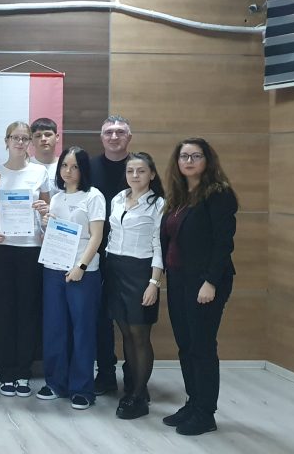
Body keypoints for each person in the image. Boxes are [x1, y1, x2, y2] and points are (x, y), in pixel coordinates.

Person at [161, 138, 238, 436]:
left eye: (196, 156)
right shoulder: (179, 195)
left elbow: (223, 243)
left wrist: (210, 282)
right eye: (184, 156)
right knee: (186, 345)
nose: (189, 161)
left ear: (208, 160)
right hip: (179, 279)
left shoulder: (218, 194)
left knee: (202, 346)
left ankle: (206, 413)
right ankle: (193, 403)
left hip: (205, 282)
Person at [0, 121, 50, 398]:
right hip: (2, 248)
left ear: (30, 143)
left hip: (31, 249)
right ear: (6, 141)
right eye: (15, 138)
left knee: (27, 311)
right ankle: (5, 371)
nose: (20, 142)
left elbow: (47, 208)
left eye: (25, 138)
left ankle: (23, 371)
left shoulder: (39, 172)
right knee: (3, 311)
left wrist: (45, 211)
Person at [37, 146, 105, 410]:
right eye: (64, 165)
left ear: (83, 169)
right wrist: (45, 223)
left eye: (75, 166)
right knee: (55, 327)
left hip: (82, 272)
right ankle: (56, 382)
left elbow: (97, 236)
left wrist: (81, 266)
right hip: (54, 268)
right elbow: (52, 235)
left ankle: (82, 388)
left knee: (82, 329)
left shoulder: (93, 196)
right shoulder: (56, 198)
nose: (68, 171)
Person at [104, 152, 165, 420]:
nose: (135, 175)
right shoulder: (118, 198)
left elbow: (159, 246)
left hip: (141, 272)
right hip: (115, 269)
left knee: (140, 335)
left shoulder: (159, 204)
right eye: (130, 171)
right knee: (126, 333)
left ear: (152, 174)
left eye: (141, 171)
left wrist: (154, 283)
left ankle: (139, 395)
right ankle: (132, 386)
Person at [89, 116, 133, 396]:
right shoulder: (90, 168)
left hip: (132, 257)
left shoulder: (140, 166)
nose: (114, 137)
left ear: (129, 137)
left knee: (132, 321)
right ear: (101, 137)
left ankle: (135, 379)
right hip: (95, 253)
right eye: (109, 132)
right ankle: (105, 374)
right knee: (100, 319)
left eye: (120, 132)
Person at [29, 117, 61, 199]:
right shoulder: (26, 166)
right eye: (38, 136)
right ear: (31, 140)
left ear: (57, 137)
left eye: (48, 135)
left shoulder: (65, 166)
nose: (43, 139)